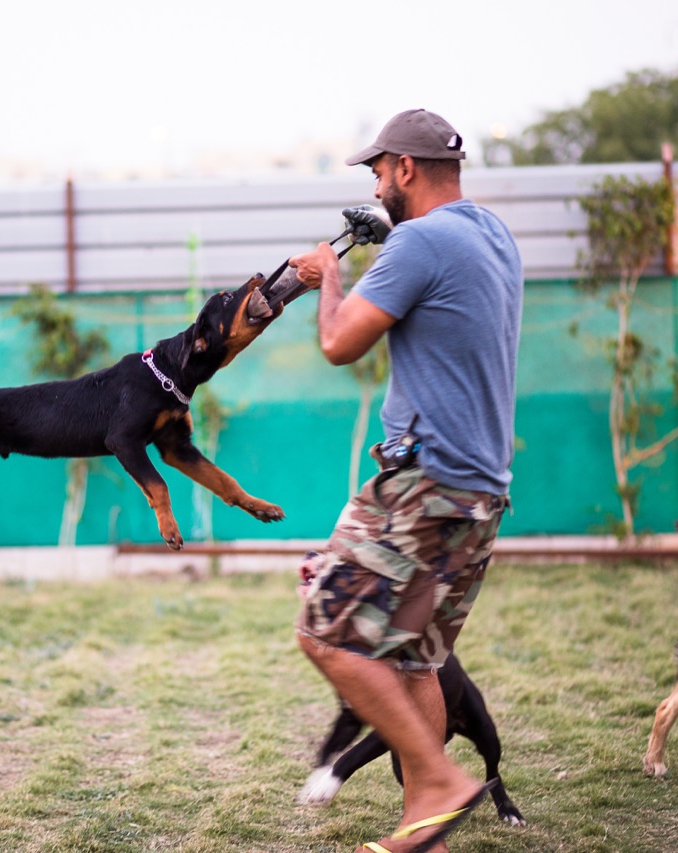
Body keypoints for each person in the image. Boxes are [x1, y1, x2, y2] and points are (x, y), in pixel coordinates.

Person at [289, 108, 522, 853]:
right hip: (480, 493)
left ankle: (440, 781)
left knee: (328, 633)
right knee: (414, 654)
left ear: (407, 168)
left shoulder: (418, 240)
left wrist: (331, 275)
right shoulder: (492, 234)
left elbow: (336, 343)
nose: (377, 183)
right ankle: (427, 827)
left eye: (378, 170)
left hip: (423, 484)